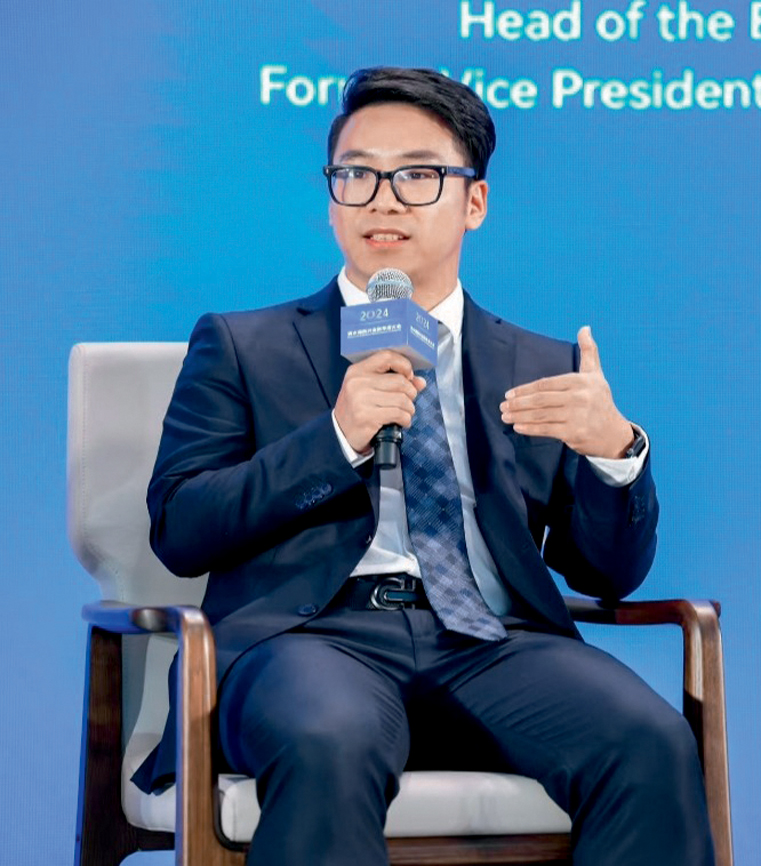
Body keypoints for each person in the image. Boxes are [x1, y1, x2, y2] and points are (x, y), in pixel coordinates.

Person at [134, 67, 715, 865]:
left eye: (416, 175)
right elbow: (181, 529)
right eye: (357, 174)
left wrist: (613, 455)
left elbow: (604, 573)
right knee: (329, 739)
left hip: (492, 643)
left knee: (648, 741)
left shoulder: (538, 363)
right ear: (331, 198)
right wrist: (335, 439)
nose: (382, 199)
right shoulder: (243, 346)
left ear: (474, 202)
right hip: (309, 642)